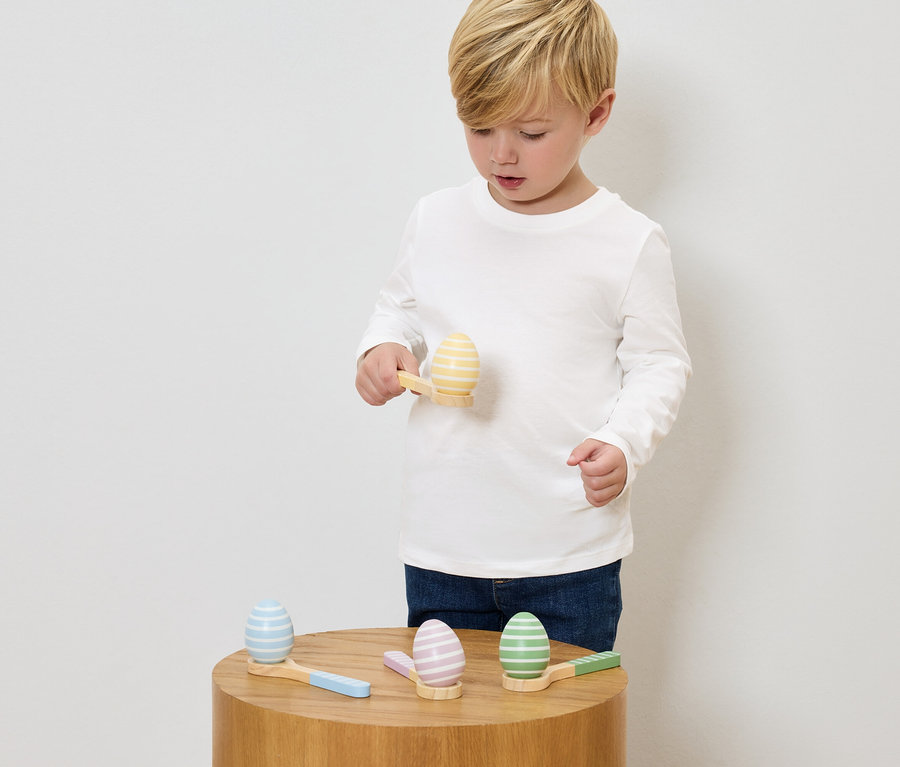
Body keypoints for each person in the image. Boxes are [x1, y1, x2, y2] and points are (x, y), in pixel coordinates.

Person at [355, 0, 690, 652]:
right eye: (479, 127)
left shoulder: (627, 241)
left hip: (568, 554)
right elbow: (398, 308)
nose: (501, 154)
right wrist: (382, 347)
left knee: (565, 716)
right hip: (444, 547)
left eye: (532, 133)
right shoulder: (436, 220)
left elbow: (660, 364)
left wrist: (623, 441)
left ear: (596, 113)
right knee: (448, 713)